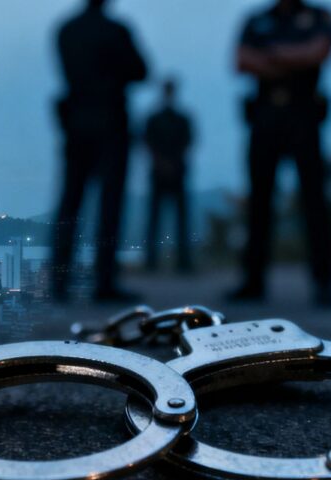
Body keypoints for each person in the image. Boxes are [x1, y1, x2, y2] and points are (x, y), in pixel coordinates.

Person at [229, 0, 331, 306]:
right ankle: (253, 280)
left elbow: (320, 51)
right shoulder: (257, 18)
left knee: (314, 199)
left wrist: (273, 55)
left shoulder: (319, 15)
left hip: (304, 115)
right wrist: (294, 57)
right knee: (259, 199)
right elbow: (240, 60)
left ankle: (324, 281)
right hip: (265, 117)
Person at [52, 0, 148, 303]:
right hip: (110, 124)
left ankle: (59, 283)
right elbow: (141, 70)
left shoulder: (66, 30)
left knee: (70, 203)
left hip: (76, 123)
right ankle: (104, 282)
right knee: (109, 205)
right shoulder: (116, 31)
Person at [144, 78, 194, 273]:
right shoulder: (156, 118)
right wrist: (164, 162)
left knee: (178, 218)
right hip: (165, 172)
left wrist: (169, 163)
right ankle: (153, 261)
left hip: (175, 172)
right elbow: (148, 143)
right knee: (157, 218)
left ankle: (182, 261)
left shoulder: (180, 118)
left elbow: (188, 142)